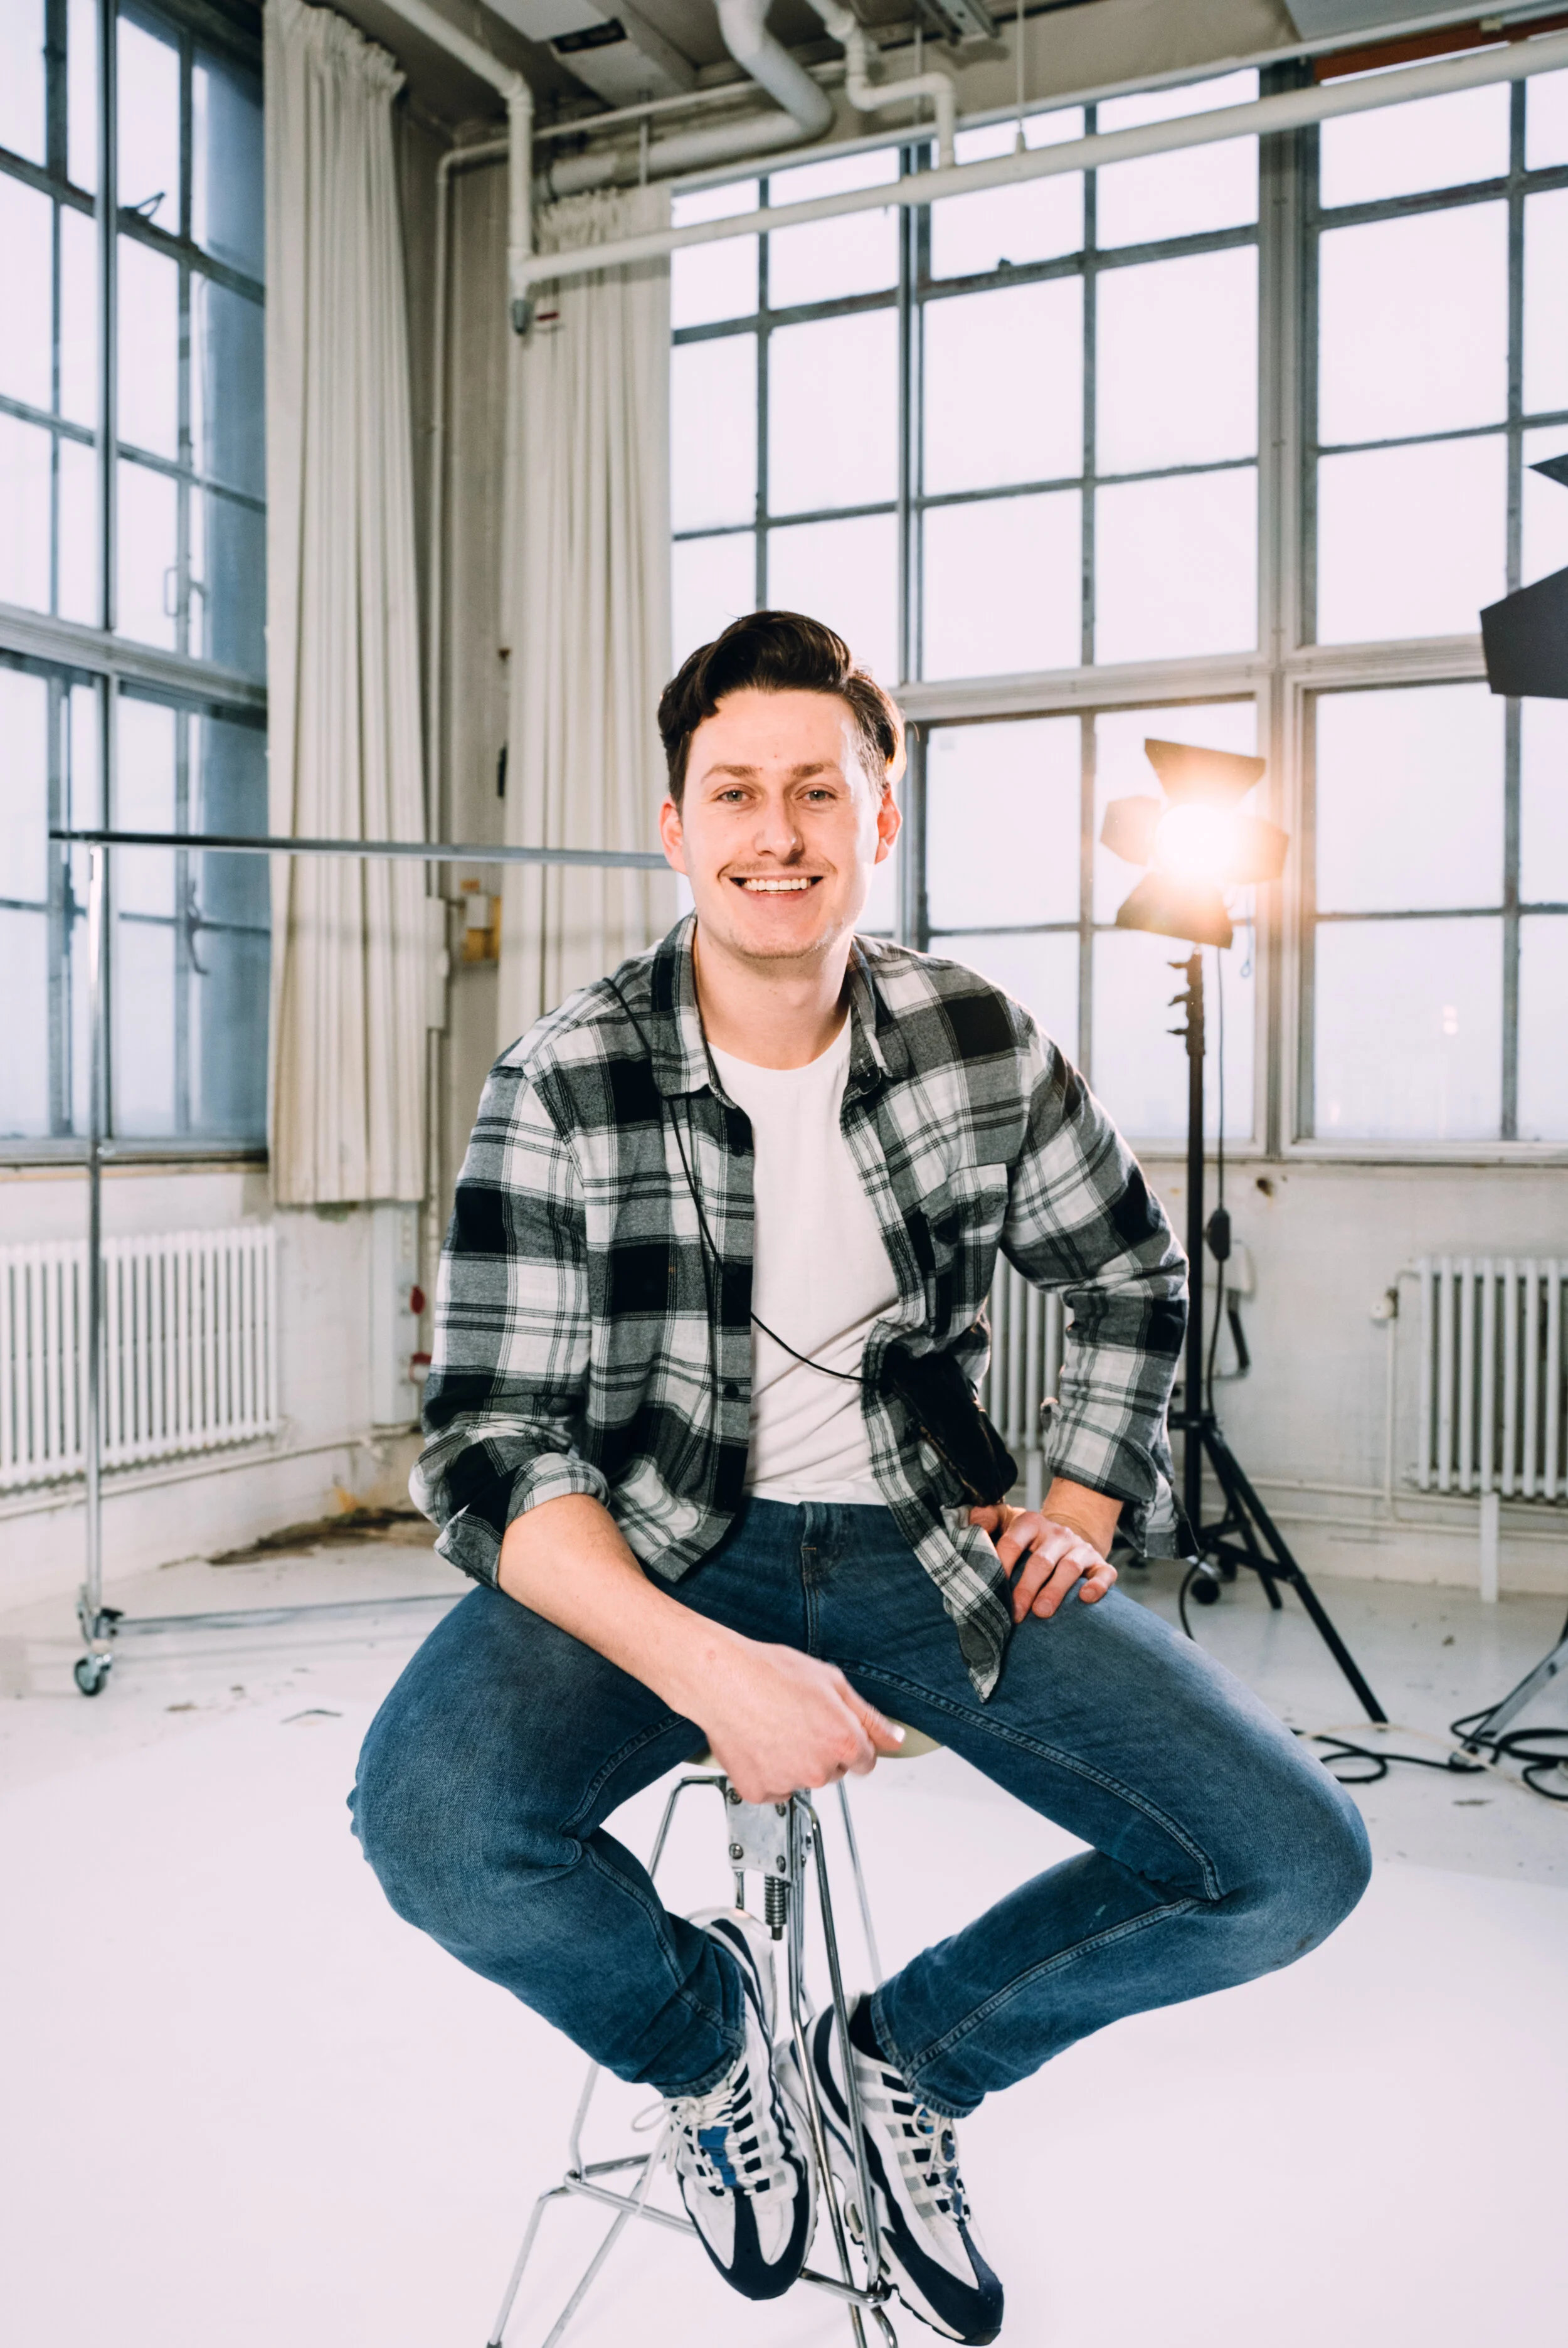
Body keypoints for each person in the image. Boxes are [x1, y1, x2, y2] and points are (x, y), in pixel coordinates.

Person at [351, 612, 1370, 2345]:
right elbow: (492, 1446)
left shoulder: (975, 1038)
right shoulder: (561, 1078)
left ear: (878, 817)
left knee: (1289, 1857)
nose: (777, 832)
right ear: (673, 825)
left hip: (928, 1538)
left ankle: (904, 2058)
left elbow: (1127, 1275)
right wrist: (706, 1669)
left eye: (817, 790)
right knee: (431, 1820)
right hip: (650, 1547)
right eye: (733, 791)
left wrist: (1086, 1508)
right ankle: (708, 2043)